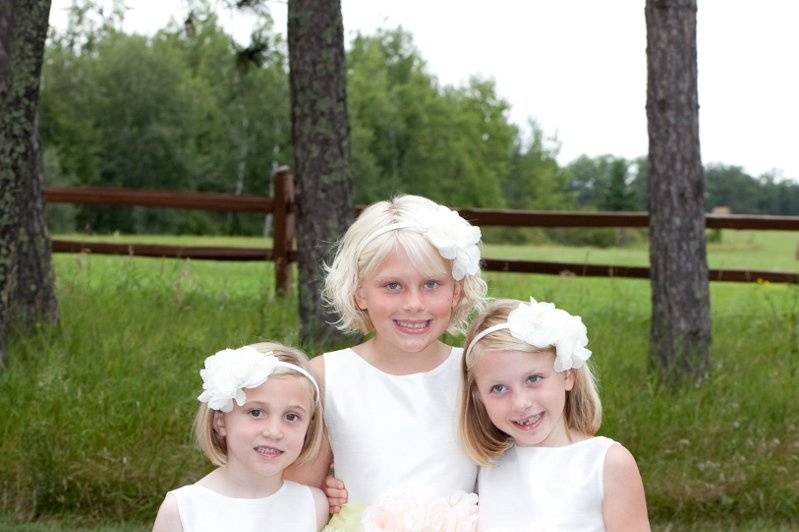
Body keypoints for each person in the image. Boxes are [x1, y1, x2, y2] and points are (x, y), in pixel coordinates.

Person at [286, 195, 487, 528]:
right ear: (360, 292)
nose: (413, 303)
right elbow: (298, 492)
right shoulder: (325, 376)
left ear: (456, 290)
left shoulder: (476, 373)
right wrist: (322, 492)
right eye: (392, 285)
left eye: (431, 284)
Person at [460, 298, 650, 531]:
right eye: (499, 388)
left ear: (568, 375)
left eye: (533, 379)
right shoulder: (482, 467)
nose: (521, 403)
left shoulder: (606, 463)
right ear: (479, 396)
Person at [153, 342, 329, 532]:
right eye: (256, 413)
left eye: (291, 417)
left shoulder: (312, 505)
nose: (274, 432)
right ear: (220, 421)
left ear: (308, 428)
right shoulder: (183, 509)